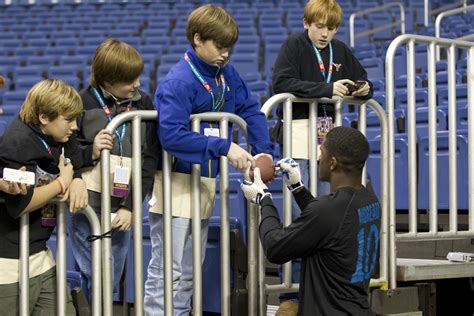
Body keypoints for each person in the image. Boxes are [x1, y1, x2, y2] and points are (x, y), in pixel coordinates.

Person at [144, 4, 274, 315]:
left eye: (229, 47)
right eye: (219, 46)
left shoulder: (226, 74)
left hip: (203, 183)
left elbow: (251, 111)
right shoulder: (178, 82)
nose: (226, 53)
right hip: (174, 183)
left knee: (189, 272)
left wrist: (263, 148)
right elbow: (172, 135)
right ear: (197, 39)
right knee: (167, 272)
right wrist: (224, 147)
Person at [271, 0, 374, 311]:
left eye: (331, 28)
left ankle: (319, 289)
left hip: (329, 138)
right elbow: (282, 83)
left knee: (328, 213)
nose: (325, 33)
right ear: (306, 23)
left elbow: (365, 80)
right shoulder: (294, 45)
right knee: (306, 215)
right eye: (319, 26)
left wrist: (363, 88)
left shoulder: (340, 50)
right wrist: (327, 89)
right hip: (299, 133)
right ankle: (295, 293)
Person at [241, 126, 380, 316]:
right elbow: (329, 224)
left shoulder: (329, 210)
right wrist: (297, 188)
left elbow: (274, 247)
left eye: (321, 152)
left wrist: (264, 200)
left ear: (332, 163)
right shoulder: (369, 200)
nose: (318, 158)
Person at [69, 39, 160, 298]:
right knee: (95, 276)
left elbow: (149, 158)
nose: (137, 85)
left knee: (109, 278)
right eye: (129, 80)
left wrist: (131, 206)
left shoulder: (144, 103)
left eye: (138, 77)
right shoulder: (81, 103)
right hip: (86, 203)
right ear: (107, 81)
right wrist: (90, 152)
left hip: (123, 204)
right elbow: (66, 153)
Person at [0, 79, 89, 315]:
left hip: (40, 254)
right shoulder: (17, 140)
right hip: (8, 260)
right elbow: (20, 204)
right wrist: (62, 182)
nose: (75, 127)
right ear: (43, 118)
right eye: (68, 120)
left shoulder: (60, 136)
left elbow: (74, 160)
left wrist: (77, 179)